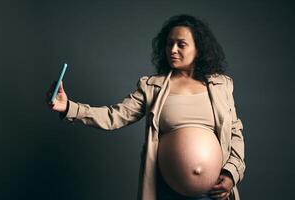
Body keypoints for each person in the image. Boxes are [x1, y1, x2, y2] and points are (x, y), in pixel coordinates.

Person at [46, 14, 245, 200]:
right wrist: (68, 108)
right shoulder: (152, 87)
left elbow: (235, 133)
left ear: (198, 49)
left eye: (181, 44)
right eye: (169, 44)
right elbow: (114, 116)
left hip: (213, 194)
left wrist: (230, 173)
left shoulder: (221, 85)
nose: (173, 50)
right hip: (167, 191)